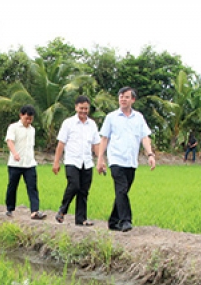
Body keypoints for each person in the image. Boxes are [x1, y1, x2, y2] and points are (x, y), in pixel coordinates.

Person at [96, 87, 156, 232]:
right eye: (121, 96)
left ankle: (113, 221)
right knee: (121, 189)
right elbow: (104, 139)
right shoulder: (111, 117)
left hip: (131, 161)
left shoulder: (139, 117)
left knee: (122, 192)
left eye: (126, 97)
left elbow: (144, 137)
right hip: (116, 159)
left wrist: (150, 154)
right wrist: (100, 159)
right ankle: (125, 221)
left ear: (133, 100)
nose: (123, 99)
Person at [52, 95, 100, 226]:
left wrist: (101, 160)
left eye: (86, 109)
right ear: (76, 107)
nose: (84, 111)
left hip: (87, 162)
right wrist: (56, 162)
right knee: (74, 185)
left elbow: (96, 144)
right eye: (81, 108)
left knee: (84, 190)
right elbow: (61, 144)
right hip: (72, 161)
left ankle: (81, 219)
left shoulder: (92, 124)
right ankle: (62, 210)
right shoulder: (68, 123)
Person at [5, 105, 46, 220]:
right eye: (26, 118)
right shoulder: (13, 127)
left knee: (32, 187)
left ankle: (35, 211)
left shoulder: (32, 130)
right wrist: (15, 153)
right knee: (12, 187)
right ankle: (10, 208)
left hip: (29, 163)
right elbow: (9, 141)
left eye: (30, 119)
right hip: (15, 164)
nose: (28, 121)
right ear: (21, 115)